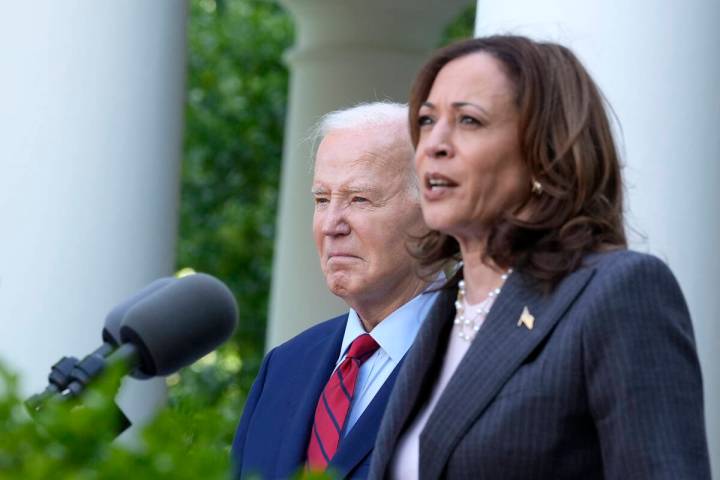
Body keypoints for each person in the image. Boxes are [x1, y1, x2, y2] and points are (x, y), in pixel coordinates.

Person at [369, 36, 711, 479]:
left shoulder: (618, 292)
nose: (434, 143)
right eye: (427, 121)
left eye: (469, 120)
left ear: (542, 152)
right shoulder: (439, 312)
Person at [231, 102, 441, 479]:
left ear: (433, 212)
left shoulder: (477, 361)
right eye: (322, 200)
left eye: (359, 199)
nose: (331, 225)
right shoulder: (284, 367)